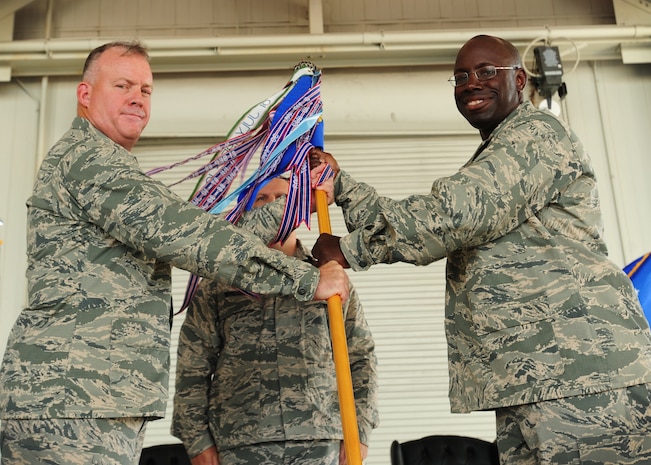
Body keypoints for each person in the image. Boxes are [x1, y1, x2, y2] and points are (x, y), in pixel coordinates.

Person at [305, 35, 651, 464]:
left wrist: (349, 248)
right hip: (534, 378)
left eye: (487, 71)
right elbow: (449, 215)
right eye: (461, 76)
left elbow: (459, 214)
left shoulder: (538, 135)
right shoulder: (495, 156)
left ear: (520, 80)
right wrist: (341, 186)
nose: (471, 83)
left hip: (582, 374)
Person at [0, 40, 349, 465]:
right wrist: (308, 278)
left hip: (90, 399)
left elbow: (201, 227)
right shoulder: (89, 162)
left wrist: (292, 200)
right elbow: (191, 236)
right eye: (123, 85)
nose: (137, 98)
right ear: (85, 94)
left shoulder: (104, 165)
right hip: (70, 402)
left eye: (145, 90)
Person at [171, 176, 379, 465]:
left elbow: (361, 358)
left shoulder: (331, 281)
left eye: (282, 197)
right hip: (241, 440)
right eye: (261, 199)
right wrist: (196, 441)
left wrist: (360, 430)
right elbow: (193, 365)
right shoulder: (218, 285)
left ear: (298, 207)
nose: (273, 205)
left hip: (319, 438)